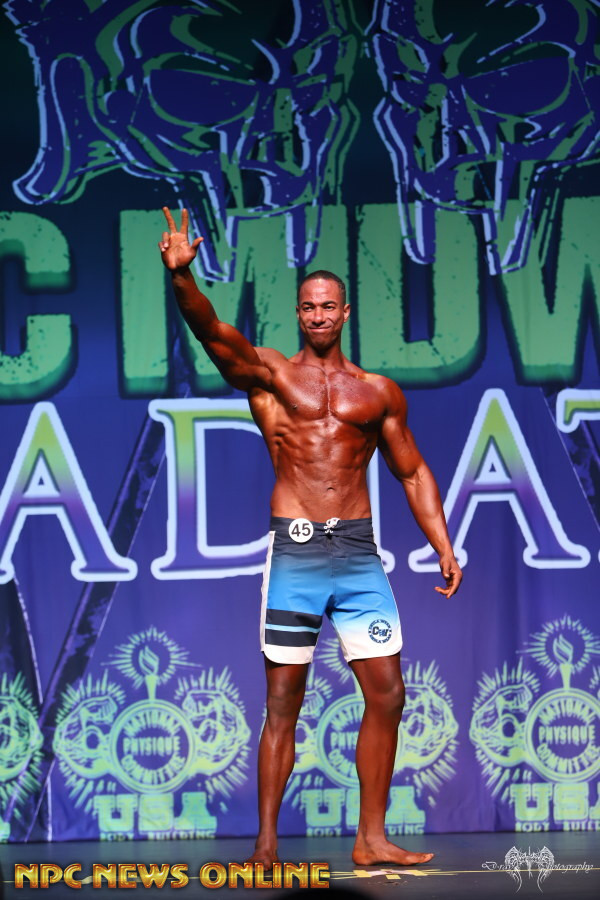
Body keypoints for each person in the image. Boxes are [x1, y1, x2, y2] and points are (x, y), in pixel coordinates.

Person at [159, 207, 462, 867]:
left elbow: (412, 472)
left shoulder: (377, 392)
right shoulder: (271, 376)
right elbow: (212, 333)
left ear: (345, 313)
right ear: (298, 314)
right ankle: (266, 845)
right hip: (296, 549)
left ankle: (371, 838)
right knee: (282, 703)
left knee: (389, 693)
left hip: (356, 552)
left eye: (328, 306)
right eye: (308, 307)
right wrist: (182, 278)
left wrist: (442, 543)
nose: (318, 315)